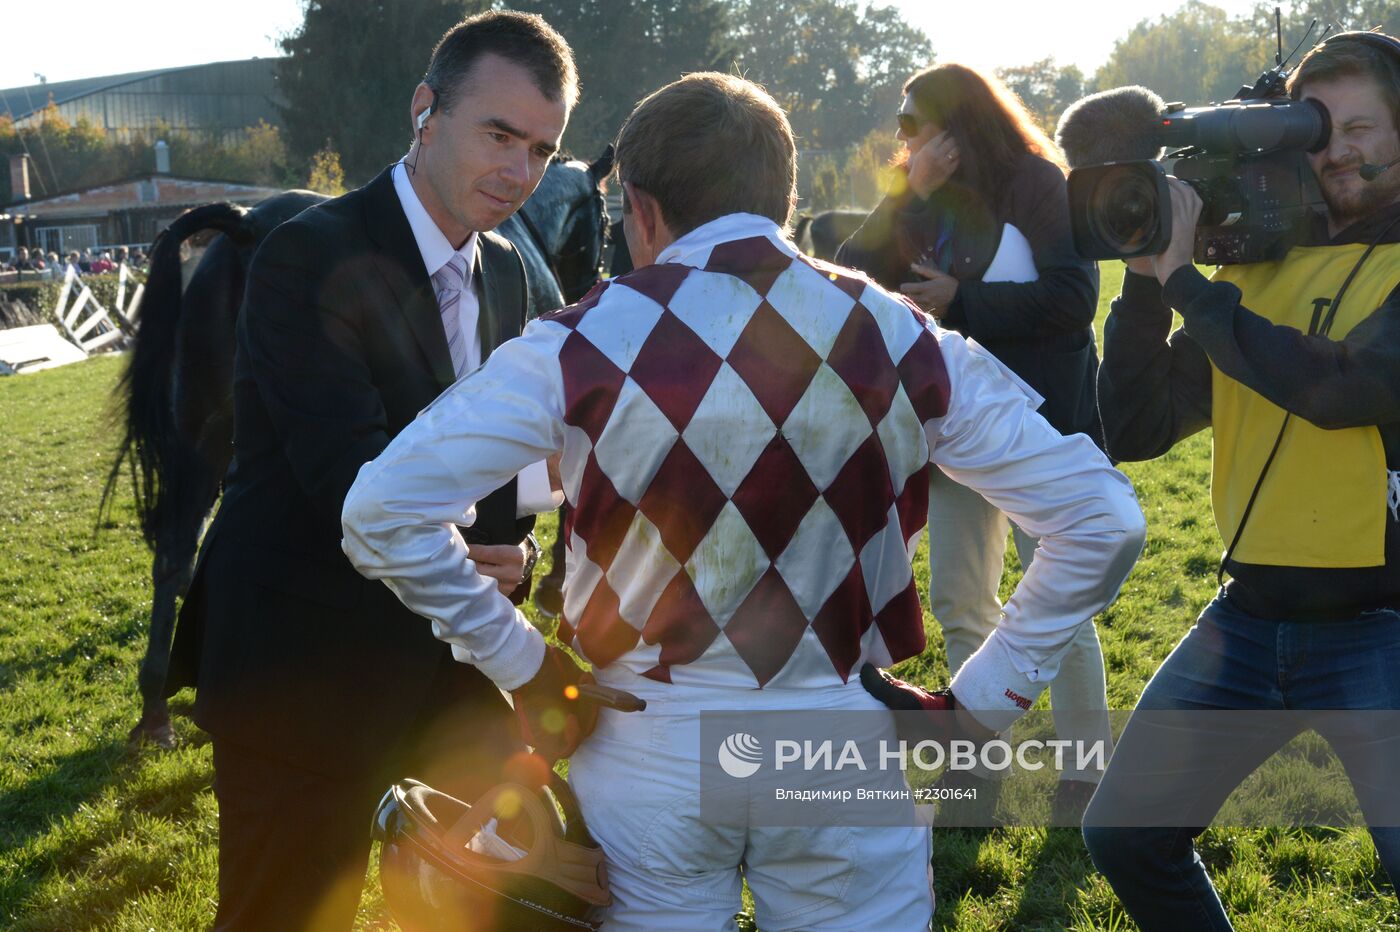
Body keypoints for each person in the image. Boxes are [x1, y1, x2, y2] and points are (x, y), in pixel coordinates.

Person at [342, 71, 1145, 929]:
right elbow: (1106, 518)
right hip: (836, 741)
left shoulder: (574, 341)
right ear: (786, 197)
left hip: (646, 744)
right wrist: (983, 706)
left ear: (641, 211)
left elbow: (380, 513)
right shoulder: (900, 330)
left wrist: (524, 666)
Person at [161, 12, 578, 929]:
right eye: (499, 135)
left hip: (448, 661)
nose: (519, 172)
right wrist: (475, 561)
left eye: (542, 150)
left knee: (527, 893)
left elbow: (504, 482)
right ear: (424, 111)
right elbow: (347, 483)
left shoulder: (507, 272)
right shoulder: (305, 253)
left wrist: (516, 558)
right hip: (301, 664)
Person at [1082, 32, 1400, 930]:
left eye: (1360, 129)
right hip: (1249, 620)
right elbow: (1140, 428)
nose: (1335, 150)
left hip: (1382, 628)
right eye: (1315, 130)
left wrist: (1192, 285)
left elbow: (1343, 389)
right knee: (1127, 835)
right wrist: (1147, 282)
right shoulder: (1257, 266)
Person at [836, 63, 1111, 818]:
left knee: (1062, 603)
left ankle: (1087, 771)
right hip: (954, 431)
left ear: (961, 123)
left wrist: (965, 301)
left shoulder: (1036, 183)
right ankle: (975, 766)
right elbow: (847, 280)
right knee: (962, 599)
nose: (903, 138)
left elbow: (1075, 295)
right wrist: (910, 192)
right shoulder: (921, 195)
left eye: (912, 123)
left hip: (1043, 425)